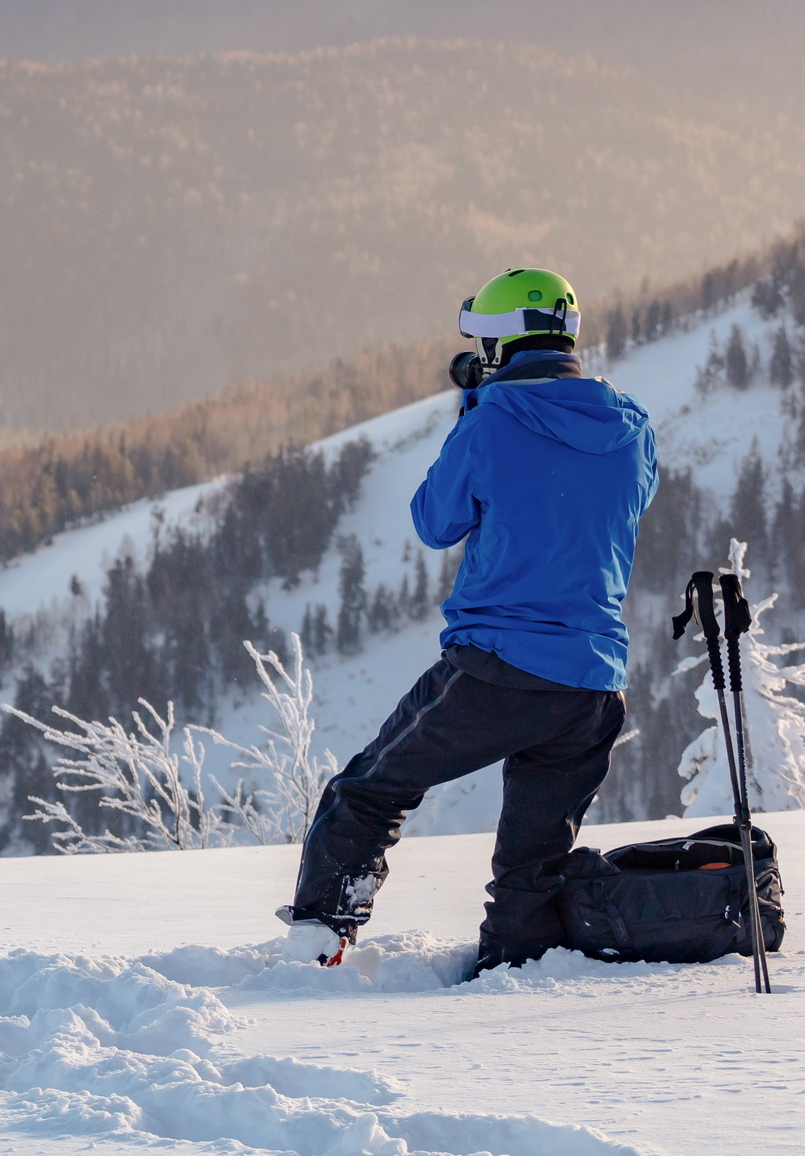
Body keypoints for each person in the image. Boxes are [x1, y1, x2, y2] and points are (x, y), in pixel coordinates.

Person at [278, 269, 656, 975]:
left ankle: (317, 947)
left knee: (367, 792)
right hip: (594, 685)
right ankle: (516, 969)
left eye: (485, 338)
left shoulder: (489, 423)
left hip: (498, 670)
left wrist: (476, 408)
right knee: (532, 865)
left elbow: (435, 521)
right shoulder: (633, 429)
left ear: (504, 339)